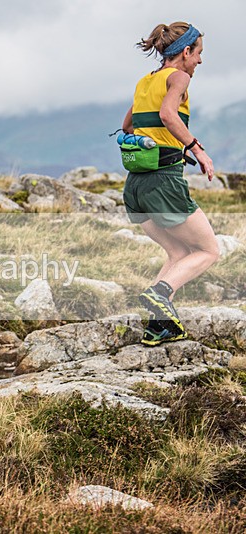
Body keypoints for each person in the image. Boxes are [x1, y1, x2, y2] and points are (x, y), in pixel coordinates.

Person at [121, 22, 220, 346]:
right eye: (199, 53)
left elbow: (128, 125)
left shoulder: (145, 81)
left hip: (136, 186)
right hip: (163, 183)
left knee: (178, 251)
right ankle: (159, 292)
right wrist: (196, 149)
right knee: (208, 250)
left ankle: (158, 326)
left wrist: (152, 146)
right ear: (186, 52)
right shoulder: (179, 77)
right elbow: (167, 114)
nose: (200, 62)